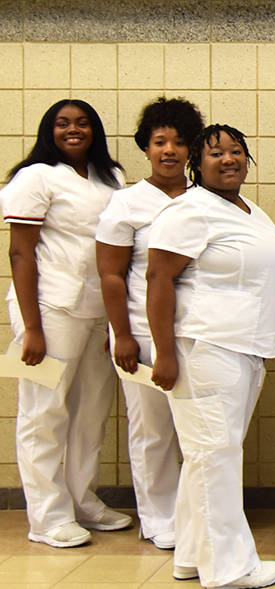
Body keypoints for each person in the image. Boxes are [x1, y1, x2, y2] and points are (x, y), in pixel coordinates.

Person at [147, 124, 275, 589]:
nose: (228, 159)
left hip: (246, 349)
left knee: (209, 457)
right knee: (216, 457)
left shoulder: (249, 210)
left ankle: (191, 556)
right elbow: (158, 281)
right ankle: (229, 569)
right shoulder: (188, 210)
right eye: (216, 153)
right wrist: (164, 354)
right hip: (206, 347)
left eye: (236, 151)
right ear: (197, 164)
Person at [1, 99, 128, 548]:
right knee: (43, 413)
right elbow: (20, 252)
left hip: (99, 311)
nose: (73, 130)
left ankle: (82, 499)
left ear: (94, 130)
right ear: (48, 130)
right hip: (49, 311)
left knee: (91, 410)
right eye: (62, 123)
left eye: (82, 123)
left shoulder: (109, 177)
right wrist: (31, 328)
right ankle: (46, 516)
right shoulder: (35, 176)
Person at [95, 97, 204, 550]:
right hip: (141, 333)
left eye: (180, 142)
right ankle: (158, 518)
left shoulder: (206, 199)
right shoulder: (127, 204)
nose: (170, 151)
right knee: (152, 430)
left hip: (198, 333)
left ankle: (195, 516)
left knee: (196, 431)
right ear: (146, 147)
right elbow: (111, 275)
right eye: (160, 141)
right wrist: (121, 333)